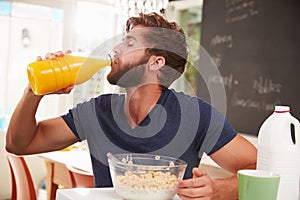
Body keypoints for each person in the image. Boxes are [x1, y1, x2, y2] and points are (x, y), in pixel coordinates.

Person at [6, 12, 256, 199]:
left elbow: (257, 168)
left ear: (156, 62)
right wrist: (34, 91)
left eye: (129, 43)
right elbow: (19, 144)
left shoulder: (195, 115)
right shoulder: (97, 111)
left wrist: (219, 189)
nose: (116, 48)